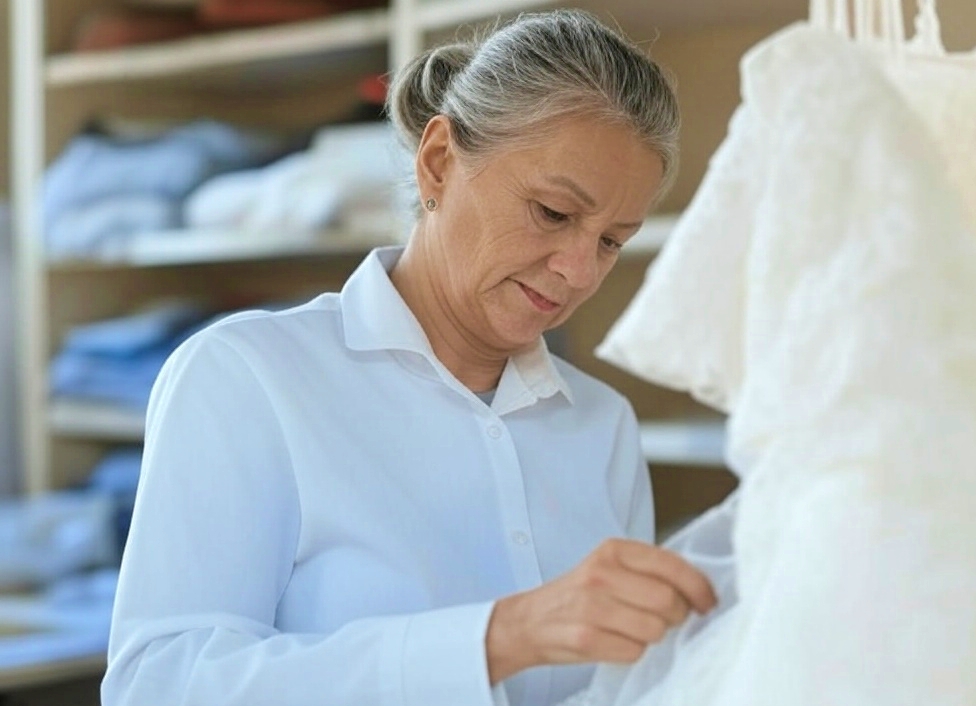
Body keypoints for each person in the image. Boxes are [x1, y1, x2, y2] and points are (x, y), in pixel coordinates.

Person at [101, 9, 717, 706]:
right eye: (552, 212)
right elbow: (159, 686)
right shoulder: (247, 379)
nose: (578, 269)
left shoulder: (602, 426)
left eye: (612, 240)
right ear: (439, 163)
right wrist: (499, 637)